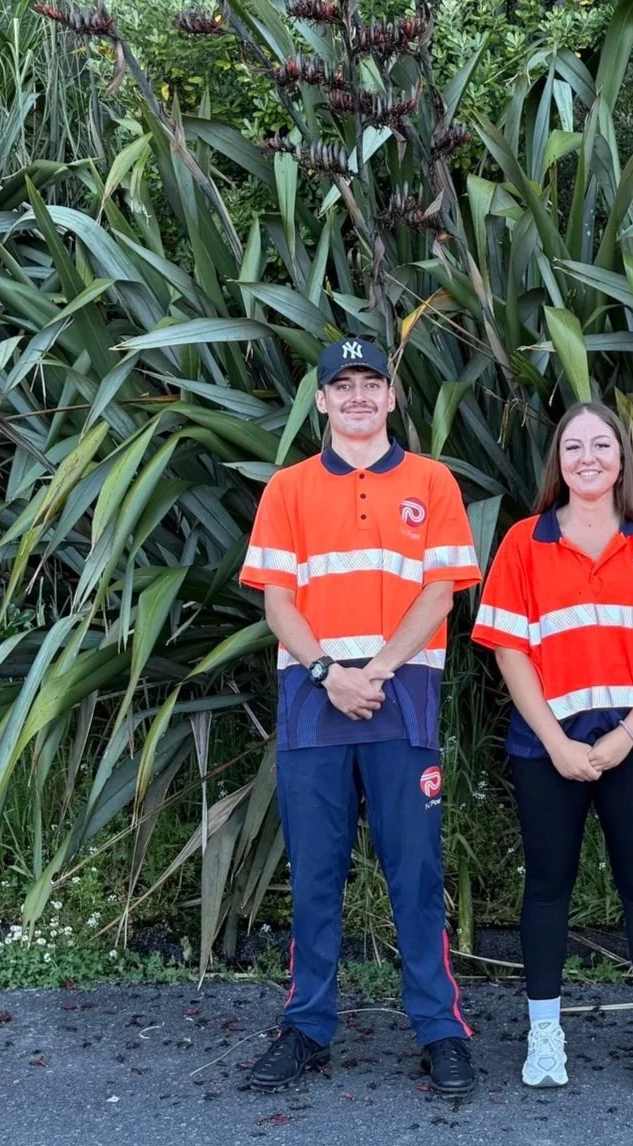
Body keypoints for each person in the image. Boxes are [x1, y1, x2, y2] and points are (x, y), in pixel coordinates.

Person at [238, 336, 482, 1098]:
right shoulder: (288, 488)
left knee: (415, 873)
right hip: (315, 705)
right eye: (341, 385)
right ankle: (307, 1025)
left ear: (392, 396)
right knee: (313, 875)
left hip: (401, 699)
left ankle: (440, 1028)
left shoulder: (432, 481)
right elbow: (278, 598)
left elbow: (441, 591)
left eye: (370, 383)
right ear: (320, 401)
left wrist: (372, 671)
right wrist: (328, 674)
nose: (357, 397)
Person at [472, 401, 633, 1093]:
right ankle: (546, 1033)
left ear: (622, 459)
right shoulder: (524, 541)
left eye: (601, 445)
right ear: (558, 462)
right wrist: (555, 743)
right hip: (547, 746)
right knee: (546, 887)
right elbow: (510, 652)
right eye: (573, 447)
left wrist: (627, 734)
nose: (588, 458)